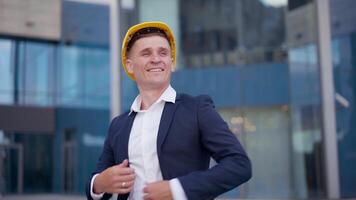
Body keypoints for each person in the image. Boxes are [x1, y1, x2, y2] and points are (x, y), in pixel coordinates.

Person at [85, 21, 252, 200]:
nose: (156, 59)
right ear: (130, 65)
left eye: (163, 53)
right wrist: (100, 183)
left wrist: (177, 189)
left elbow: (239, 164)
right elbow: (96, 184)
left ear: (171, 63)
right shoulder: (118, 125)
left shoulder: (197, 109)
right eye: (146, 53)